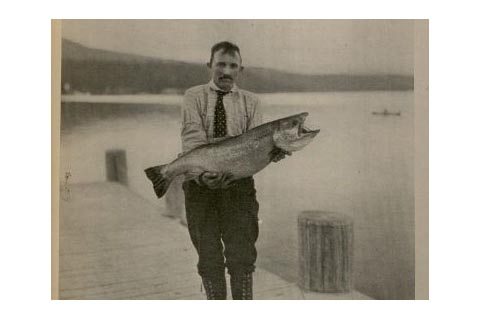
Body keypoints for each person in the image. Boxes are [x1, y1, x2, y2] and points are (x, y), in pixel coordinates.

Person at [181, 41, 290, 300]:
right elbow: (192, 140)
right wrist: (203, 176)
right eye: (221, 64)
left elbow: (254, 148)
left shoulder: (251, 102)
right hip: (199, 186)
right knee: (208, 256)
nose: (226, 71)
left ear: (241, 69)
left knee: (241, 256)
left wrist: (272, 152)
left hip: (238, 187)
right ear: (210, 65)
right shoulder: (193, 96)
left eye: (233, 65)